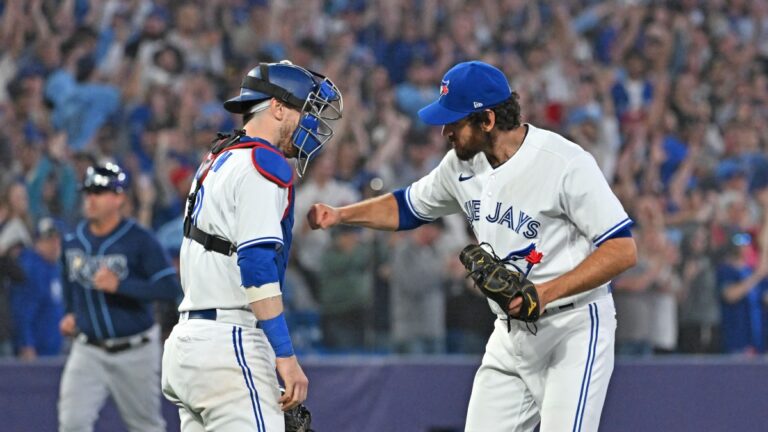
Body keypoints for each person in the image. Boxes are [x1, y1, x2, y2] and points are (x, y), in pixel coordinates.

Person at [308, 61, 637, 431]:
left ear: (488, 120)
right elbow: (407, 207)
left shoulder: (564, 163)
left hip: (573, 328)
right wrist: (340, 215)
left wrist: (545, 292)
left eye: (455, 121)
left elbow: (622, 249)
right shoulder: (461, 165)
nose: (445, 130)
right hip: (510, 332)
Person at [161, 60, 342, 431]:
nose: (311, 123)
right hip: (230, 343)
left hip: (188, 344)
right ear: (277, 107)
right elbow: (256, 266)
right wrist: (285, 356)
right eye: (305, 110)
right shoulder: (264, 164)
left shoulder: (218, 159)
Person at [58, 163, 181, 432]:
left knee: (145, 427)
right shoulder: (73, 239)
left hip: (134, 350)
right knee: (72, 424)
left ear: (119, 198)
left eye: (99, 191)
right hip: (87, 349)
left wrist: (121, 285)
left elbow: (169, 289)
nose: (90, 198)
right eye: (88, 191)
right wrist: (69, 312)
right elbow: (69, 281)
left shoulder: (140, 239)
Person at [10, 217, 65, 360]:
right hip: (36, 350)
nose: (54, 245)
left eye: (57, 240)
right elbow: (22, 311)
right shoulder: (31, 268)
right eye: (49, 240)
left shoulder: (55, 267)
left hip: (53, 347)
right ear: (37, 242)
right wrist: (26, 344)